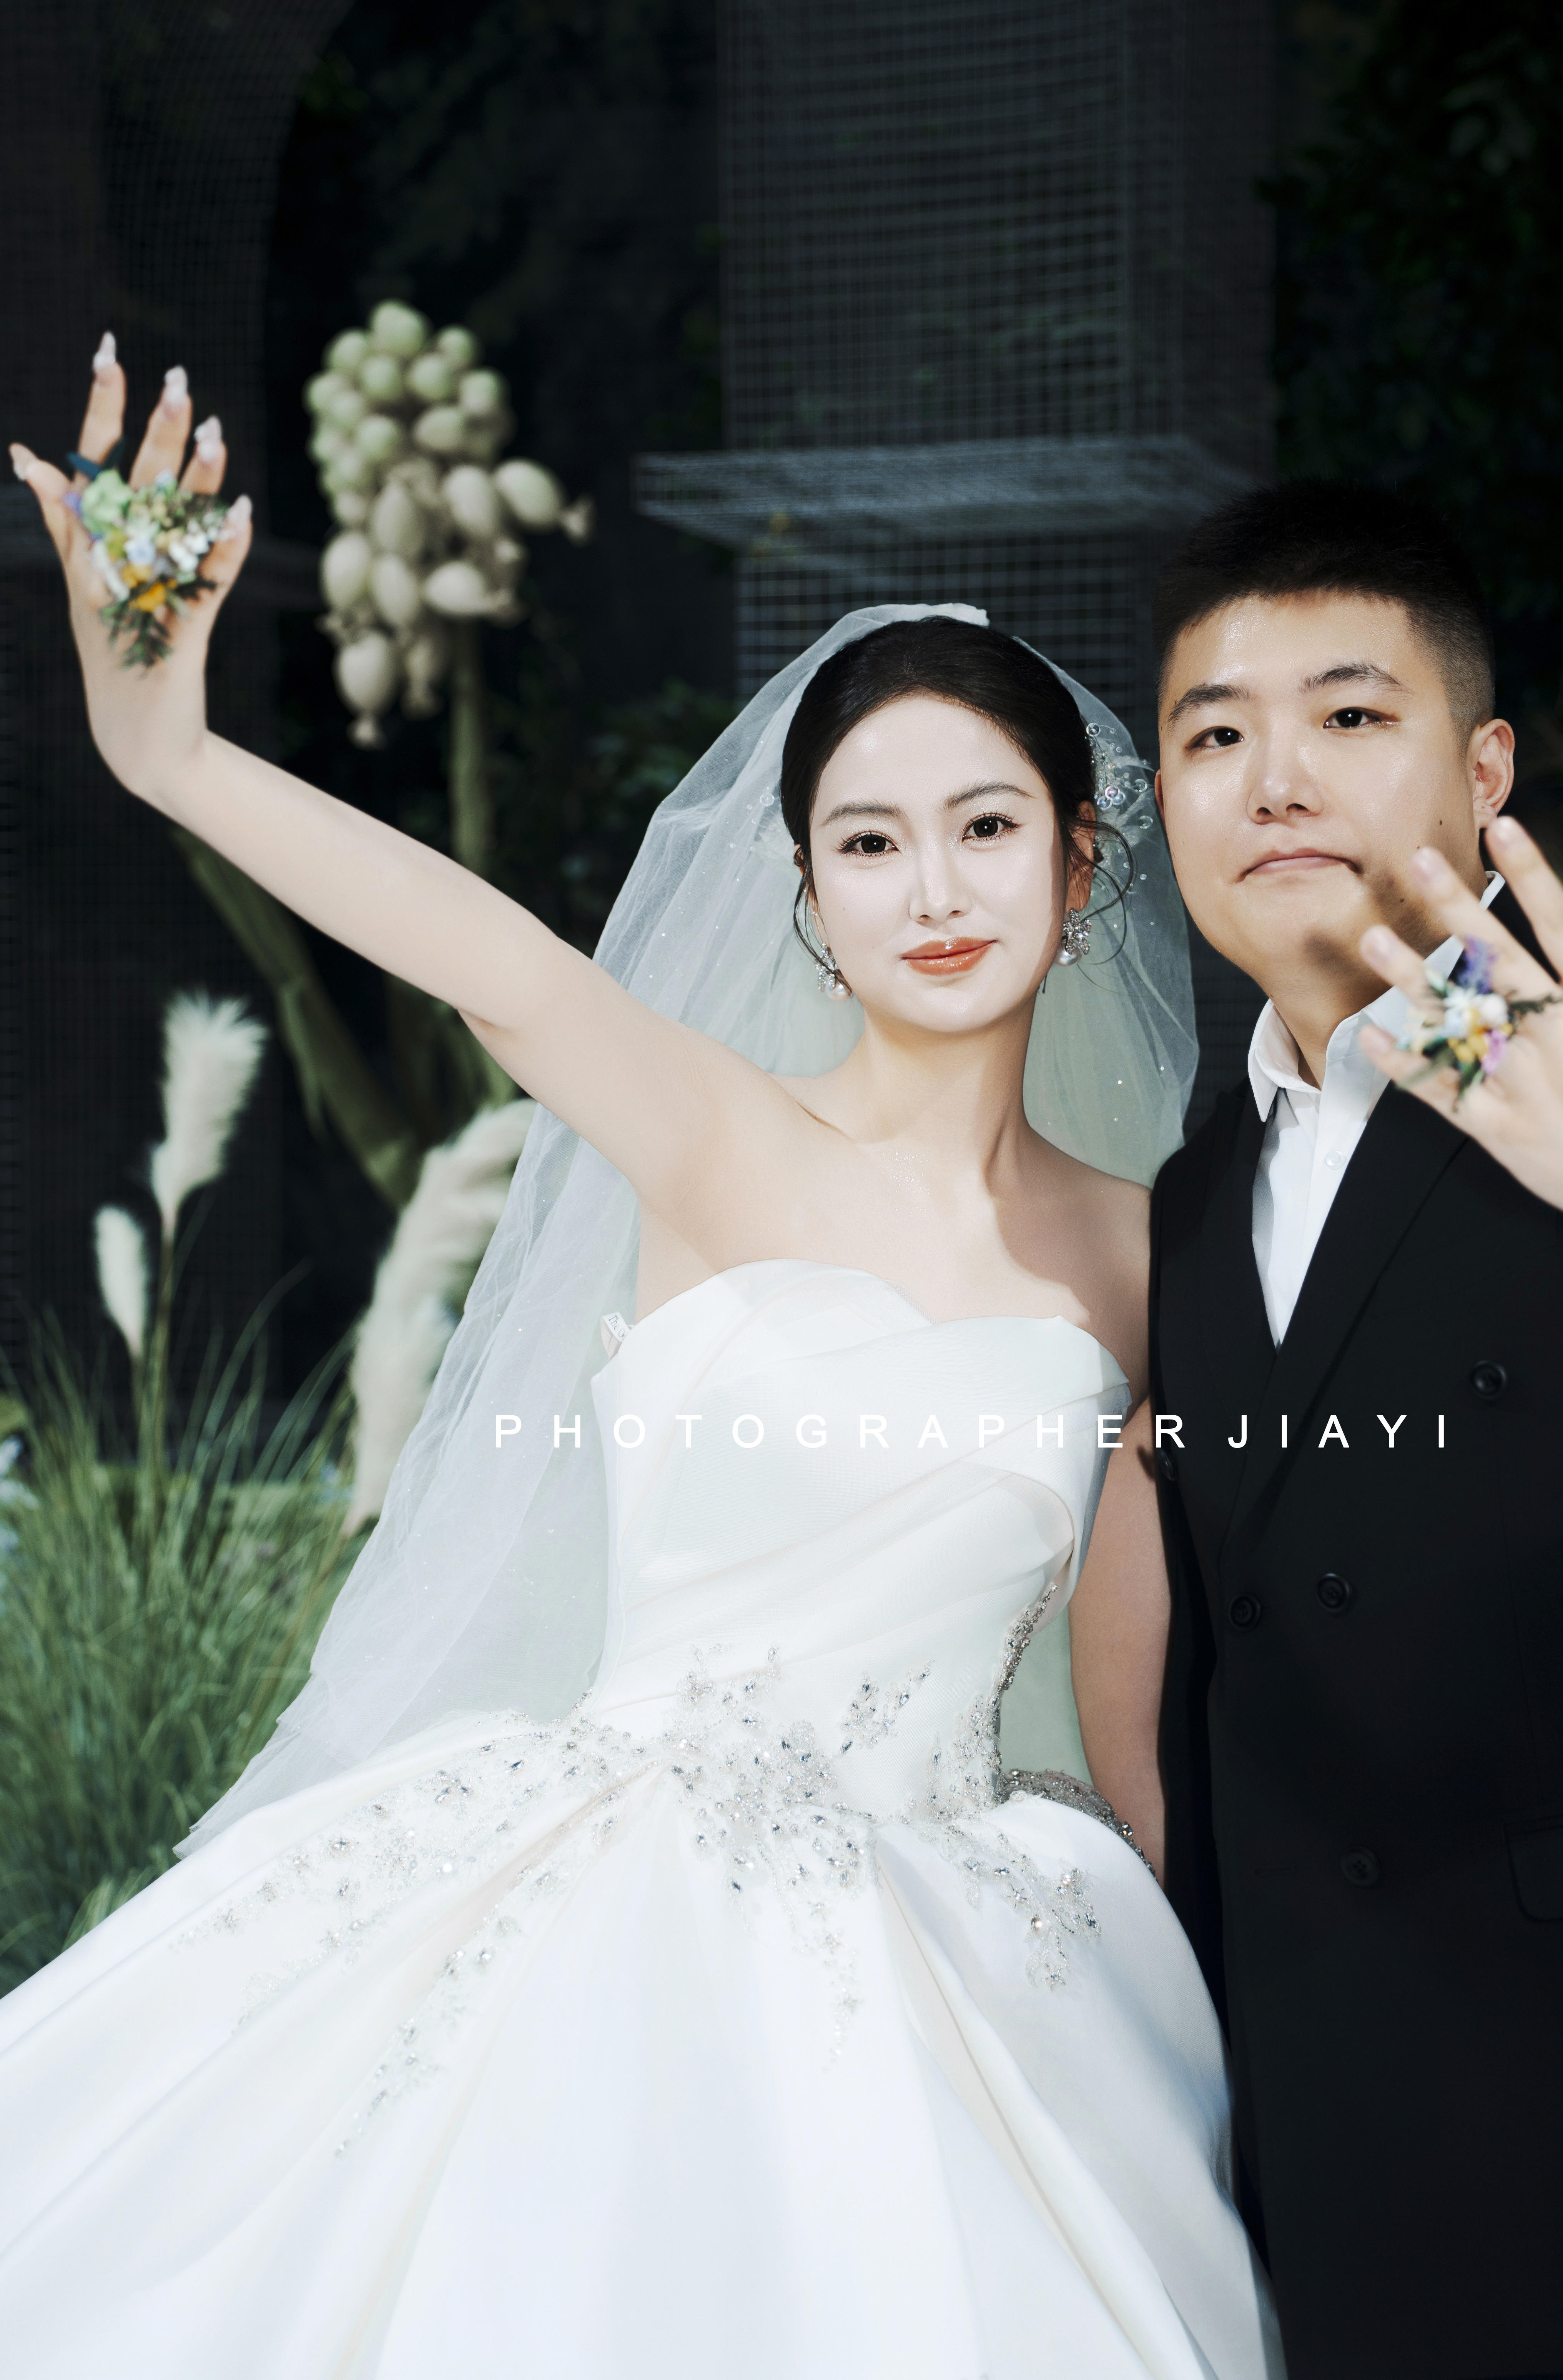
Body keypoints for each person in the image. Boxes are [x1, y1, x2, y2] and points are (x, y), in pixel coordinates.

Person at [0, 354, 1282, 2379]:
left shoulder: (1151, 1251)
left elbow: (1141, 1709)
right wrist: (169, 750)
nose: (931, 889)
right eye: (868, 842)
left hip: (977, 1951)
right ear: (809, 894)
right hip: (602, 1896)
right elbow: (477, 944)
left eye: (982, 827)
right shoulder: (708, 1126)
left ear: (1077, 858)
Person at [1072, 479, 1563, 2380]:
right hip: (1343, 2198)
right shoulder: (1191, 1198)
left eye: (1347, 714)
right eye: (1212, 736)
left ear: (1485, 771)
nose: (1274, 781)